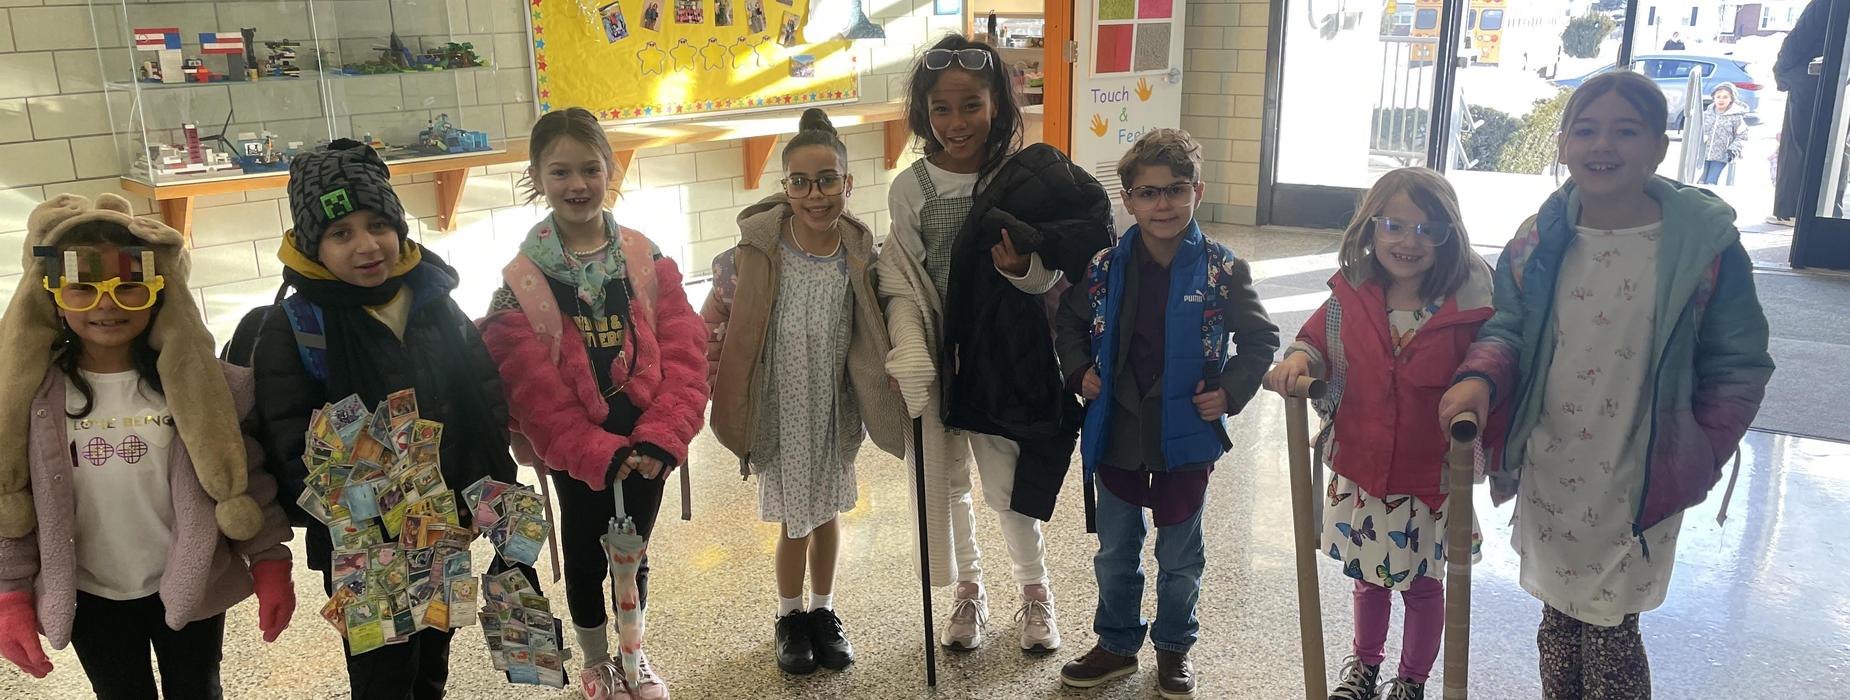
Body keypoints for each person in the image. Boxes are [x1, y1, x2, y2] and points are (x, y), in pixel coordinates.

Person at [1438, 72, 1774, 698]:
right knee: (1560, 619)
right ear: (1563, 144)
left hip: (1639, 471)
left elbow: (1739, 365)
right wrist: (1480, 377)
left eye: (1626, 130)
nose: (1603, 145)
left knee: (1611, 629)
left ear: (1658, 148)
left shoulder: (1706, 248)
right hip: (1555, 461)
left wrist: (1698, 452)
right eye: (1587, 130)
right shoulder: (1538, 241)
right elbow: (1508, 326)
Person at [251, 140, 526, 699]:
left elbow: (480, 401)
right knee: (381, 672)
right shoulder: (298, 324)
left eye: (378, 224)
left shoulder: (433, 302)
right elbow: (288, 435)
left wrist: (480, 494)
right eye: (340, 233)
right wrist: (364, 511)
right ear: (312, 244)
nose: (366, 245)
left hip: (442, 521)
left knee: (432, 656)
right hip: (363, 542)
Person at [0, 194, 296, 698]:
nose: (107, 305)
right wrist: (11, 593)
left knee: (197, 688)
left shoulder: (196, 386)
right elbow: (14, 495)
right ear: (52, 295)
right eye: (82, 291)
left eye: (130, 289)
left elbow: (239, 471)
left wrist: (269, 556)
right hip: (91, 593)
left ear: (159, 293)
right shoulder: (34, 398)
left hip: (191, 578)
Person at [880, 33, 1113, 655]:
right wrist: (909, 347)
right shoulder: (910, 189)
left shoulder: (1024, 178)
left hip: (1005, 357)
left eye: (971, 105)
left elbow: (1053, 275)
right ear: (923, 112)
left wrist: (1019, 270)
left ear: (997, 105)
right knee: (948, 482)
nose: (956, 123)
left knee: (1006, 483)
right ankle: (968, 589)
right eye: (941, 108)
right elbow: (902, 276)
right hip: (938, 357)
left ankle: (1035, 593)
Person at [479, 107, 709, 700]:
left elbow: (684, 351)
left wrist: (663, 435)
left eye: (589, 169)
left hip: (648, 438)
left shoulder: (645, 257)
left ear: (611, 169)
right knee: (585, 554)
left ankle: (635, 656)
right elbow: (531, 388)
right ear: (535, 177)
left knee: (634, 551)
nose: (576, 185)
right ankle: (597, 660)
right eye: (559, 172)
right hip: (578, 448)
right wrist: (590, 451)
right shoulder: (521, 280)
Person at [1054, 129, 1278, 700]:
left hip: (1185, 436)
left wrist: (1229, 392)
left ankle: (1174, 647)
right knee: (1115, 550)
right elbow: (1069, 326)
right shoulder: (1104, 268)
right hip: (1118, 429)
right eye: (1147, 193)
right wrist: (1079, 372)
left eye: (1175, 191)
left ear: (1197, 192)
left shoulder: (1223, 271)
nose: (1162, 205)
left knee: (1180, 556)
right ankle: (1116, 643)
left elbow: (1258, 339)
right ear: (1127, 199)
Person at [1264, 168, 1492, 700]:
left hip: (1431, 479)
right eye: (1394, 225)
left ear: (1448, 237)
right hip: (1363, 469)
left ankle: (1411, 680)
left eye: (1426, 229)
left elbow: (1491, 367)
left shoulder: (1466, 310)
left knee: (1423, 586)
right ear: (1370, 228)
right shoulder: (1352, 296)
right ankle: (1364, 668)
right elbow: (1314, 339)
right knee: (1369, 580)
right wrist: (1299, 358)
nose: (1408, 242)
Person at [702, 108, 906, 677]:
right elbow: (714, 328)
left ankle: (824, 611)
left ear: (847, 183)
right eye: (800, 182)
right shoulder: (758, 253)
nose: (815, 194)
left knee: (828, 513)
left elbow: (881, 320)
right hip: (780, 405)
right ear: (786, 187)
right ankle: (789, 617)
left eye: (827, 181)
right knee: (795, 520)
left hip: (833, 408)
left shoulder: (859, 255)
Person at [1770, 0, 1843, 223]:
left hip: (1809, 74)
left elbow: (1802, 35)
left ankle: (1793, 209)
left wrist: (1781, 71)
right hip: (1840, 77)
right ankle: (1827, 209)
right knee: (1837, 148)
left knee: (1799, 145)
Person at [1698, 83, 1749, 186]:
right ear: (1714, 98)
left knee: (1710, 182)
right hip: (1703, 155)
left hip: (1721, 156)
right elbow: (1697, 131)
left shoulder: (1736, 117)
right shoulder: (1706, 114)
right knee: (1699, 182)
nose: (1721, 100)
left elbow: (1742, 135)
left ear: (1731, 99)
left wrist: (1734, 149)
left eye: (1725, 97)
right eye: (1718, 97)